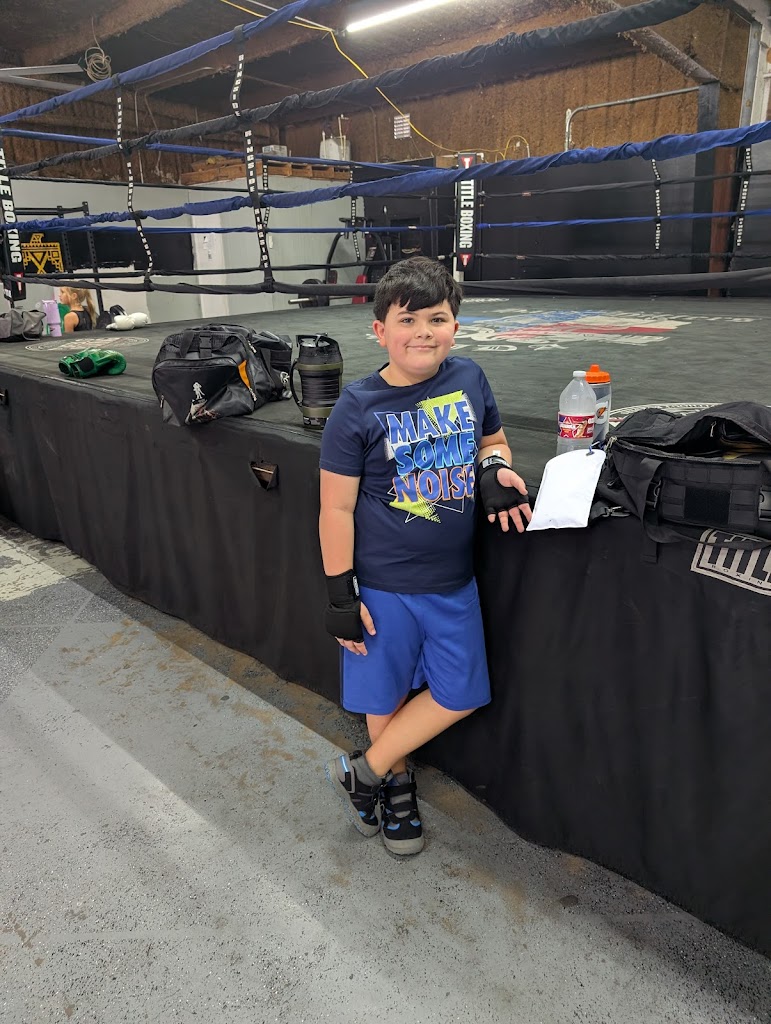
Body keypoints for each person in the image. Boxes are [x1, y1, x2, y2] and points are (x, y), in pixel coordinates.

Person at [319, 256, 531, 856]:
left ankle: (364, 772)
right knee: (383, 696)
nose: (423, 332)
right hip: (383, 585)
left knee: (462, 692)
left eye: (436, 319)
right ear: (380, 330)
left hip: (452, 582)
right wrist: (339, 591)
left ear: (455, 327)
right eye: (407, 320)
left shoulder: (469, 378)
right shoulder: (358, 407)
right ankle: (396, 783)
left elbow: (492, 439)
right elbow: (335, 507)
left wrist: (493, 469)